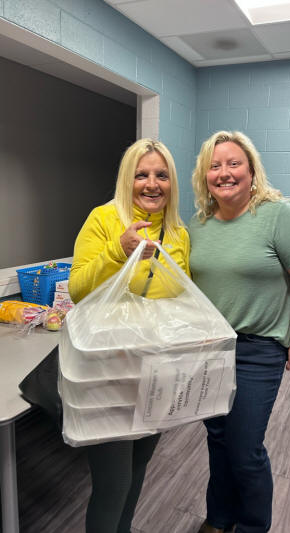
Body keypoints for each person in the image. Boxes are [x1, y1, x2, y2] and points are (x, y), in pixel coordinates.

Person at [189, 131, 290, 533]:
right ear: (204, 175)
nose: (224, 173)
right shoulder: (198, 224)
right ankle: (219, 518)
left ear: (251, 171)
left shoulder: (278, 216)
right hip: (210, 348)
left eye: (234, 164)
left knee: (245, 449)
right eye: (215, 166)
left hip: (258, 349)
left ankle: (252, 526)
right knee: (218, 440)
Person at [68, 138, 190, 533]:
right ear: (127, 179)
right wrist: (117, 251)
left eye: (161, 175)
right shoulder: (104, 219)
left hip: (156, 372)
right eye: (141, 175)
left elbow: (183, 298)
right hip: (109, 373)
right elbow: (77, 290)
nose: (151, 184)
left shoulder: (177, 233)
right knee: (113, 483)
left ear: (171, 183)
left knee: (138, 469)